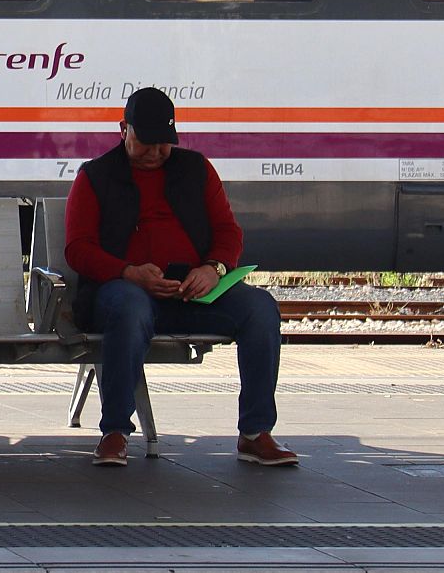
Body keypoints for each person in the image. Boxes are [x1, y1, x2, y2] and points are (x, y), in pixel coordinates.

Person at [64, 87, 295, 467]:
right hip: (124, 292)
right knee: (130, 308)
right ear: (124, 129)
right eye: (146, 144)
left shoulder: (197, 169)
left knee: (260, 308)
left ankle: (255, 433)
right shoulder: (95, 176)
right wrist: (129, 273)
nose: (155, 154)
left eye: (164, 145)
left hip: (191, 294)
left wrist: (214, 268)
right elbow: (78, 248)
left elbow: (228, 232)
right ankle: (115, 431)